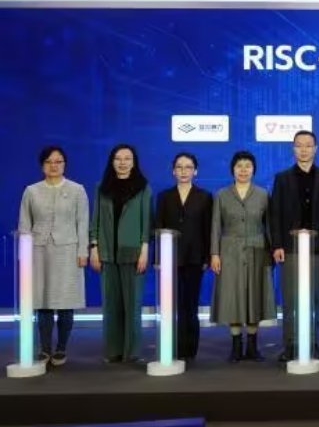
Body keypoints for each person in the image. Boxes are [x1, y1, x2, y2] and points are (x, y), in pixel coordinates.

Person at [269, 130, 319, 363]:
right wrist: (277, 244)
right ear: (293, 149)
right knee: (290, 299)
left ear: (316, 148)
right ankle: (290, 344)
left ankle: (312, 342)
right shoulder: (282, 178)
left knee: (314, 298)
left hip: (318, 248)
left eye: (308, 145)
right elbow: (275, 214)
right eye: (299, 145)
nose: (304, 149)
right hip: (290, 248)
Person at [18, 146, 88, 366]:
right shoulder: (31, 191)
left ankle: (61, 348)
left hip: (68, 251)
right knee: (43, 302)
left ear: (64, 164)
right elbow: (24, 225)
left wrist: (83, 251)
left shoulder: (77, 190)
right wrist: (24, 255)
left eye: (58, 161)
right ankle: (45, 348)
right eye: (49, 162)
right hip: (39, 252)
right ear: (42, 166)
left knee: (66, 301)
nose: (54, 166)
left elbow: (82, 223)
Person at [210, 151, 275, 363]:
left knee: (255, 296)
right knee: (233, 297)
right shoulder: (221, 195)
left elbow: (269, 226)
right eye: (239, 166)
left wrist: (273, 251)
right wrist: (214, 253)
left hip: (258, 250)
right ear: (233, 169)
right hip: (229, 251)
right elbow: (215, 226)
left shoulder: (263, 194)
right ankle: (236, 346)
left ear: (254, 170)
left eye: (248, 166)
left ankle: (253, 347)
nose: (243, 170)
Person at [89, 143, 152, 363]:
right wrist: (94, 248)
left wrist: (144, 250)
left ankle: (132, 352)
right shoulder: (101, 187)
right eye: (118, 158)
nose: (122, 162)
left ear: (134, 162)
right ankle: (112, 351)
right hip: (107, 253)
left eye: (127, 158)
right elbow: (95, 220)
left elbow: (146, 222)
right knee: (111, 306)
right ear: (112, 162)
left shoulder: (143, 187)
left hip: (133, 253)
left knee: (132, 305)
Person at [154, 152, 213, 362]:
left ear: (195, 171)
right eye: (179, 167)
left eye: (188, 167)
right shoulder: (164, 196)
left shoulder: (205, 196)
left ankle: (190, 348)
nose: (183, 171)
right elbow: (158, 227)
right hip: (170, 257)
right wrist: (158, 258)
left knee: (190, 304)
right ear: (173, 171)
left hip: (195, 258)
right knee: (173, 305)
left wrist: (207, 257)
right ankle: (174, 346)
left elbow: (208, 229)